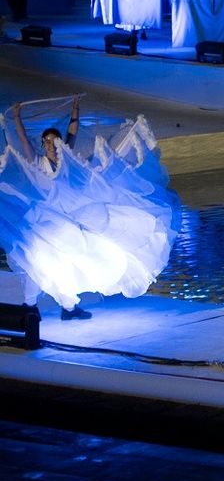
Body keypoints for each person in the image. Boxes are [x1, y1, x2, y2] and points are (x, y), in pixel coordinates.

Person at [5, 97, 180, 320]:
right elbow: (22, 141)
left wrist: (75, 107)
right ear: (42, 145)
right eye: (46, 143)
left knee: (67, 261)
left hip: (67, 219)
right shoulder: (37, 162)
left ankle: (68, 308)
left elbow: (72, 131)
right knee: (39, 260)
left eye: (53, 142)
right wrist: (17, 117)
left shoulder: (66, 161)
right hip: (45, 219)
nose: (50, 146)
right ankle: (31, 305)